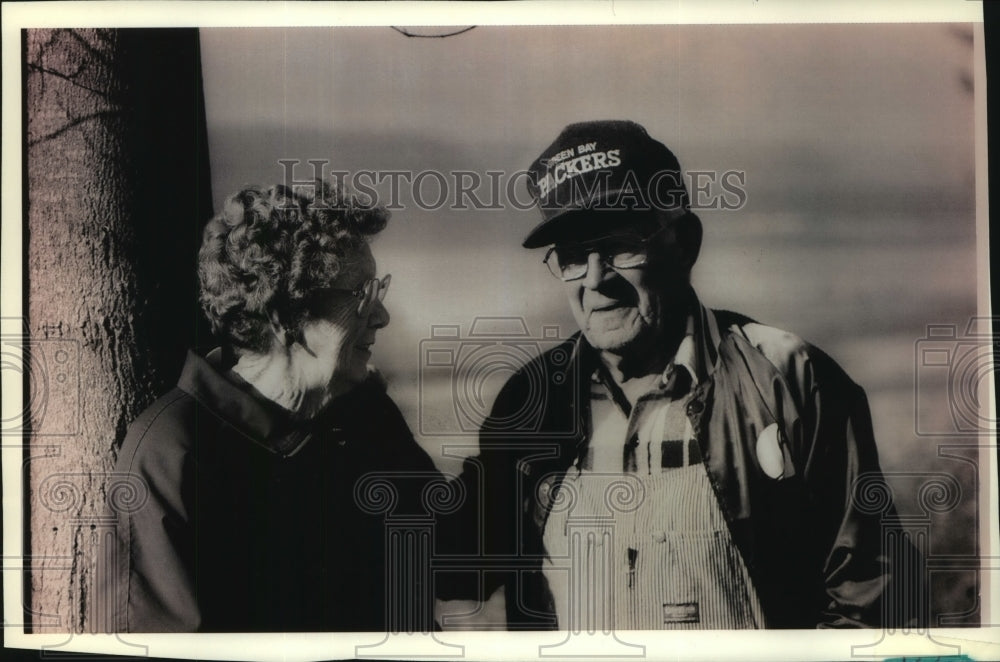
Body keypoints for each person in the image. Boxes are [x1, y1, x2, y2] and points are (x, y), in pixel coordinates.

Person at [437, 120, 923, 630]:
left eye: (622, 244)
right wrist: (354, 397)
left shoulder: (788, 378)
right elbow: (454, 567)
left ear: (684, 244)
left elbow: (875, 598)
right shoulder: (532, 399)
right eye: (576, 256)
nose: (597, 281)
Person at [100, 181, 442, 632]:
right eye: (361, 295)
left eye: (379, 290)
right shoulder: (172, 454)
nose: (380, 316)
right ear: (285, 315)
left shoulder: (364, 416)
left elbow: (450, 553)